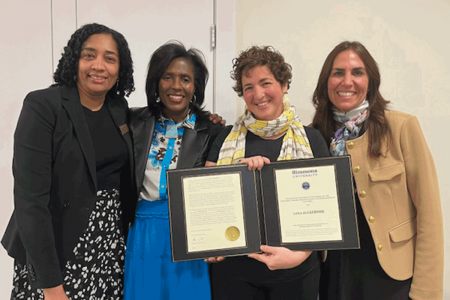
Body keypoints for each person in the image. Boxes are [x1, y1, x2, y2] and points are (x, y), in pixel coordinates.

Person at [1, 23, 136, 299]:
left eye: (110, 58)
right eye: (89, 55)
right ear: (74, 60)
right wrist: (51, 286)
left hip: (108, 248)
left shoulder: (118, 108)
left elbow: (156, 120)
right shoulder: (43, 106)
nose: (99, 66)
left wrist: (207, 121)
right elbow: (30, 202)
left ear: (119, 69)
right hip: (57, 247)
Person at [312, 41, 443, 300]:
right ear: (326, 82)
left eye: (357, 72)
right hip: (333, 274)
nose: (347, 81)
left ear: (371, 81)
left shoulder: (402, 127)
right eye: (338, 73)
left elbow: (429, 215)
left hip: (391, 277)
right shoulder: (313, 135)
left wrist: (427, 292)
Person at [205, 45, 329, 300]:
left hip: (297, 272)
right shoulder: (224, 138)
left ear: (284, 85)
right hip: (234, 273)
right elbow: (209, 205)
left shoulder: (312, 139)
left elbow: (326, 211)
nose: (258, 94)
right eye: (248, 87)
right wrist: (238, 175)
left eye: (265, 83)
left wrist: (298, 256)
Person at [123, 41, 224, 300]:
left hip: (190, 234)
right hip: (143, 232)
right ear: (157, 82)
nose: (176, 86)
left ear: (195, 87)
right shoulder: (133, 121)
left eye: (186, 79)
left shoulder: (212, 130)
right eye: (168, 77)